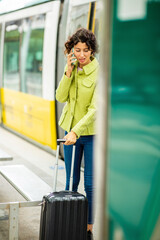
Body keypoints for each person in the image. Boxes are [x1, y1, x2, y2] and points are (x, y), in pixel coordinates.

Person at [56, 28, 99, 240]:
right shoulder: (72, 69)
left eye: (86, 50)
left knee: (90, 184)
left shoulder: (100, 73)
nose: (82, 55)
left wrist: (76, 131)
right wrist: (68, 72)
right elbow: (60, 96)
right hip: (69, 132)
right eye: (77, 50)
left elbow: (95, 109)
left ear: (92, 51)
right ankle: (68, 221)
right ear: (71, 51)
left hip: (91, 135)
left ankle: (89, 227)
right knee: (70, 181)